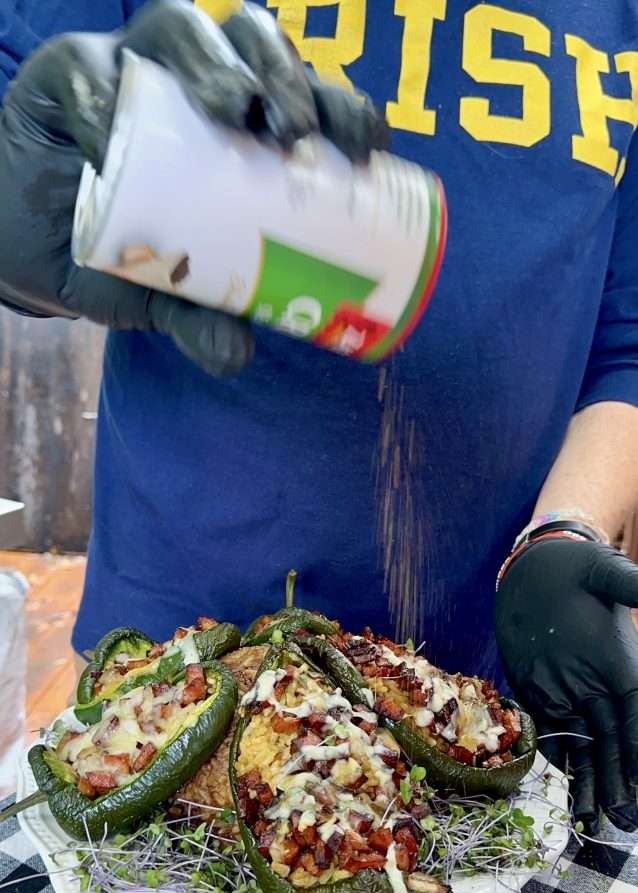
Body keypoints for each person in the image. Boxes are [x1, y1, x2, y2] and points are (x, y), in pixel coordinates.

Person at [2, 0, 638, 837]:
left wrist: (565, 529)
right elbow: (34, 137)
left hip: (476, 701)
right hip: (168, 694)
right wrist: (24, 202)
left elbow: (625, 337)